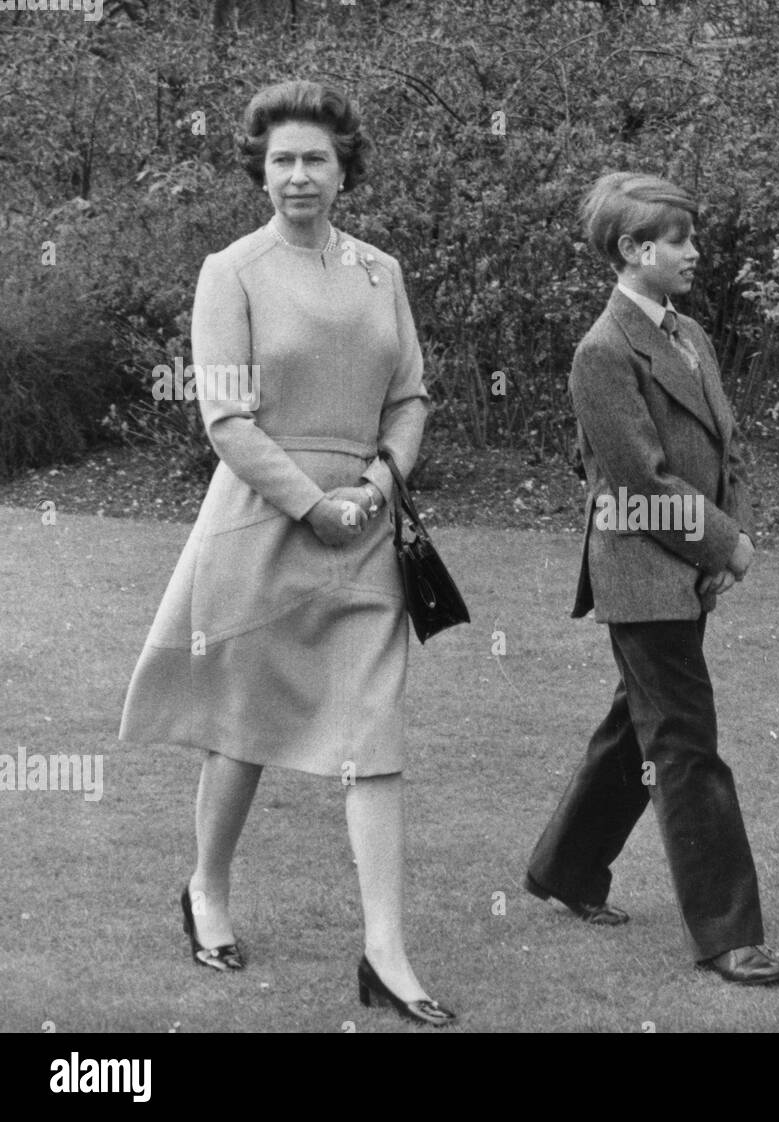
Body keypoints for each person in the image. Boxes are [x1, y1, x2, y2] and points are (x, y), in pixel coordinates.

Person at [119, 80, 454, 1025]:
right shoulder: (231, 270)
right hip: (263, 523)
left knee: (373, 733)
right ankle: (208, 889)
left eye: (315, 158)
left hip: (369, 525)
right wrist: (312, 505)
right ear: (261, 172)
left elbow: (412, 396)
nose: (297, 175)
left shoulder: (383, 270)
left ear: (345, 168)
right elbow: (225, 416)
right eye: (281, 161)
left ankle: (385, 953)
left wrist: (378, 487)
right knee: (243, 729)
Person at [524, 173, 779, 985]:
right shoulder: (603, 352)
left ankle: (565, 868)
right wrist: (726, 548)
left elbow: (725, 446)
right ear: (636, 251)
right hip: (641, 574)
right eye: (679, 241)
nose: (694, 252)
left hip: (688, 572)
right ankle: (727, 932)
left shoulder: (691, 335)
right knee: (683, 744)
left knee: (634, 729)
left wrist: (728, 535)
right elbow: (642, 485)